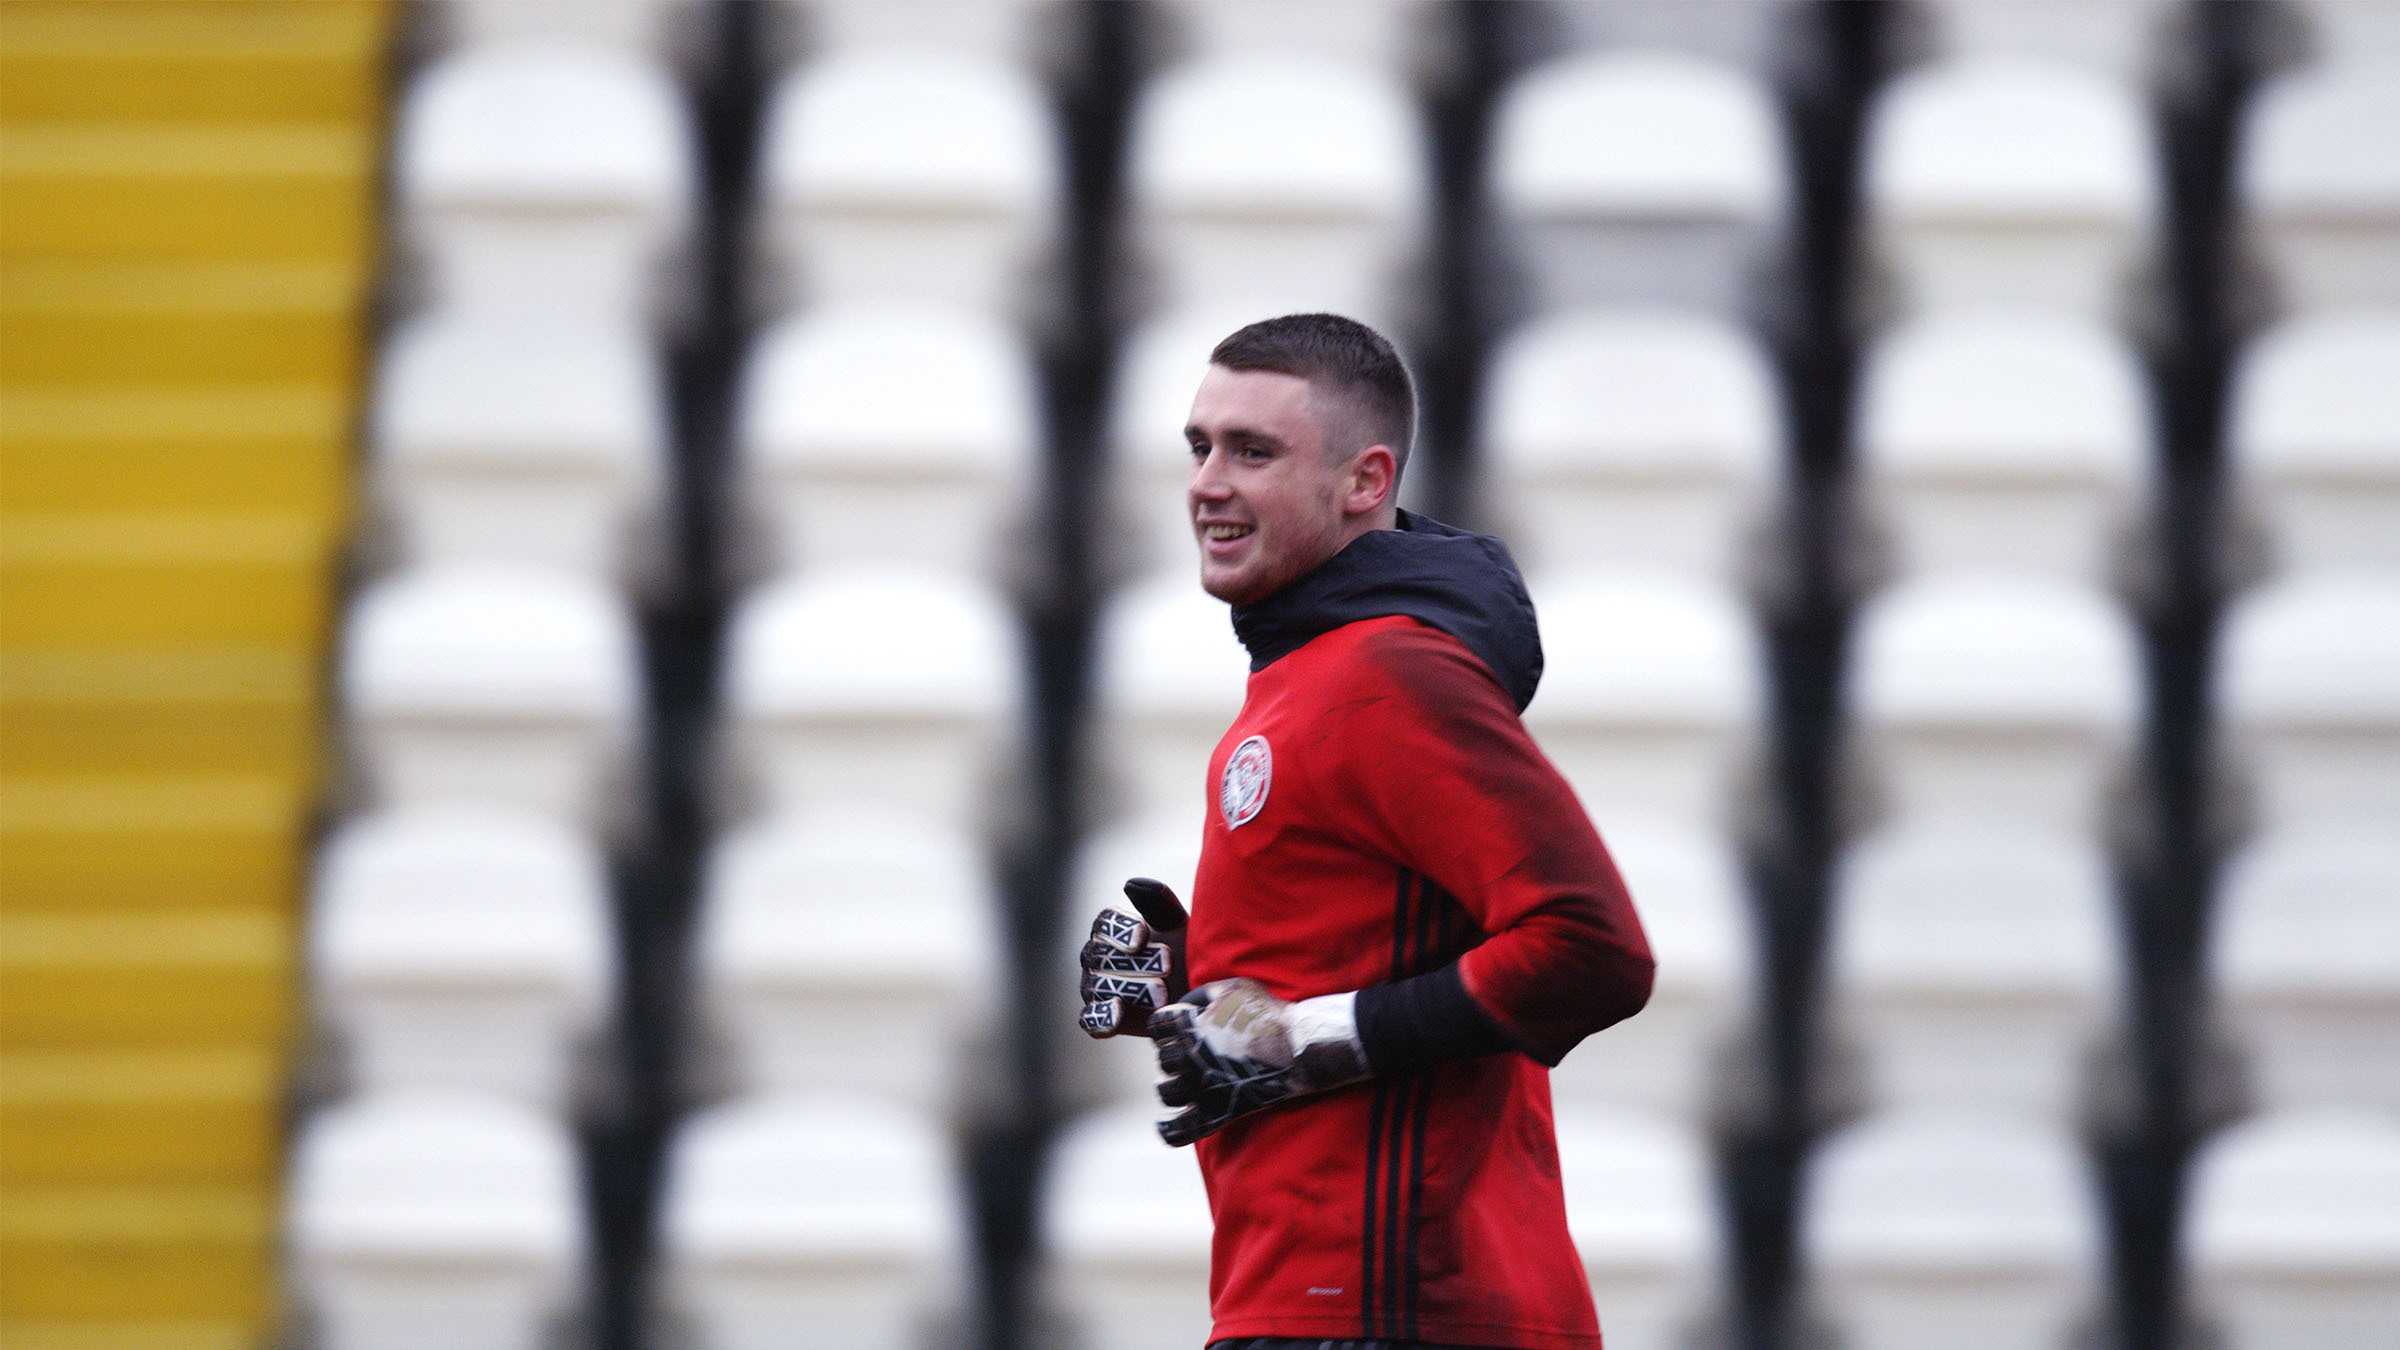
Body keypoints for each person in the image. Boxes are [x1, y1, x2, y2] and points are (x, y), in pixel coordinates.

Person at [1077, 313, 1657, 1350]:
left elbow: (1593, 948)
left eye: (1253, 452)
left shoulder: (1389, 673)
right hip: (1318, 1294)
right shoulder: (1308, 674)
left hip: (1394, 1305)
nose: (1207, 483)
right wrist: (1190, 984)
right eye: (1199, 447)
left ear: (1365, 479)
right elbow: (1356, 967)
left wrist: (1302, 1041)